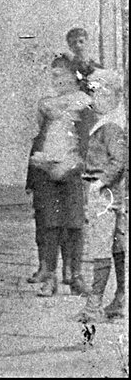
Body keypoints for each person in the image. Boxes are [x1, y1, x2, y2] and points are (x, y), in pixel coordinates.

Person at [27, 56, 94, 297]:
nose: (55, 81)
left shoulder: (85, 105)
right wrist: (41, 161)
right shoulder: (47, 105)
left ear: (73, 77)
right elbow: (38, 136)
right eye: (52, 76)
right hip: (46, 170)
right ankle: (49, 275)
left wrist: (70, 165)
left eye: (59, 76)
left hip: (72, 171)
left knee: (74, 223)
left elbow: (86, 143)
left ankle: (74, 275)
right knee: (48, 223)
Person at [77, 72, 127, 323]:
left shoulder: (111, 126)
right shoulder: (105, 124)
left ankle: (94, 303)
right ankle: (120, 298)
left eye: (99, 93)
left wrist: (100, 182)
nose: (94, 98)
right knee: (117, 245)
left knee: (101, 246)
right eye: (93, 92)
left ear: (115, 96)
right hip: (106, 192)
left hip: (104, 194)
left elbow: (119, 161)